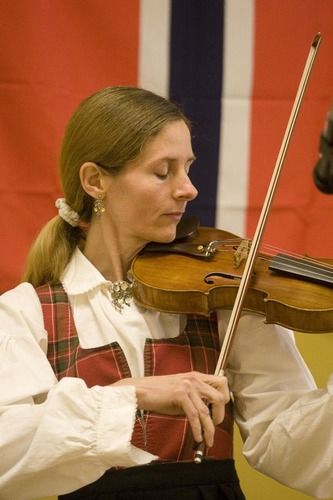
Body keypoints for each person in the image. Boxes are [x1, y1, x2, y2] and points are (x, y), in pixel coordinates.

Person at [0, 86, 332, 500]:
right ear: (95, 181)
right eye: (163, 172)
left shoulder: (224, 298)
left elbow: (297, 447)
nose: (189, 189)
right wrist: (130, 394)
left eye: (188, 168)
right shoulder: (26, 313)